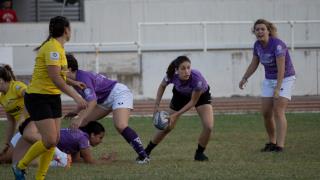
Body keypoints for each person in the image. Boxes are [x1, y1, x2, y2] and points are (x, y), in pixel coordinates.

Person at [12, 16, 87, 180]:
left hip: (52, 97)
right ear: (66, 30)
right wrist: (76, 97)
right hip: (38, 97)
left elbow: (60, 76)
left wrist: (75, 83)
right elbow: (56, 78)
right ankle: (20, 166)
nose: (71, 31)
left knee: (54, 140)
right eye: (70, 28)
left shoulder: (59, 48)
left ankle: (40, 177)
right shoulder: (52, 48)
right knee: (49, 139)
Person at [65, 53, 150, 164]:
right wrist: (76, 112)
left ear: (69, 69)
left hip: (118, 93)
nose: (57, 71)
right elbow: (89, 98)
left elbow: (93, 101)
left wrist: (79, 117)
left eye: (60, 68)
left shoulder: (82, 78)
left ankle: (144, 156)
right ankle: (78, 157)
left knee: (120, 125)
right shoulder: (75, 80)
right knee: (80, 124)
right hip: (104, 100)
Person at [239, 19, 296, 152]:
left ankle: (280, 146)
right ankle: (272, 142)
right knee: (265, 112)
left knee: (278, 110)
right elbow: (254, 63)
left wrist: (277, 89)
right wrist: (244, 78)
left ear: (268, 31)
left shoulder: (277, 45)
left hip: (285, 78)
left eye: (262, 29)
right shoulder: (257, 45)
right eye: (257, 29)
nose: (260, 32)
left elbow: (281, 69)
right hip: (269, 79)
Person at [144, 56, 214, 161]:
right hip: (180, 95)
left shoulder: (197, 78)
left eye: (188, 67)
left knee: (208, 126)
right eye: (183, 68)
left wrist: (175, 115)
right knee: (167, 126)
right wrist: (156, 106)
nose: (187, 71)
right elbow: (162, 85)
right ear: (177, 70)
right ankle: (146, 152)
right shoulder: (171, 75)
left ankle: (199, 154)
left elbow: (192, 102)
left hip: (200, 96)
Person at [7, 121, 114, 166]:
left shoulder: (79, 137)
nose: (101, 141)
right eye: (100, 137)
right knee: (8, 160)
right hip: (31, 138)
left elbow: (76, 159)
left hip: (29, 137)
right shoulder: (83, 139)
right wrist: (107, 161)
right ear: (92, 135)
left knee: (7, 160)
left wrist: (98, 160)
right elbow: (89, 161)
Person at [0, 64, 28, 163]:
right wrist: (7, 144)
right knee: (3, 159)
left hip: (36, 124)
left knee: (17, 159)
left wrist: (23, 117)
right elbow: (11, 122)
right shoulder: (2, 98)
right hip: (23, 129)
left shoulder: (16, 86)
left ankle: (60, 158)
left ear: (1, 80)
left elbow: (30, 96)